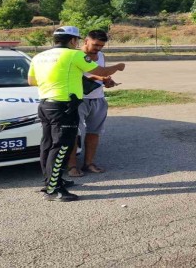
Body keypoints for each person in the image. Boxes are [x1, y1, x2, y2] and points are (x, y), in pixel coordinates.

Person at [28, 26, 126, 202]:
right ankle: (54, 189)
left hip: (45, 104)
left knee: (48, 144)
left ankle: (50, 181)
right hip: (65, 106)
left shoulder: (39, 56)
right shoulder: (74, 55)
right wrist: (119, 66)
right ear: (73, 41)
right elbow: (101, 72)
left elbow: (31, 81)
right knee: (61, 147)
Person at [67, 30, 118, 177]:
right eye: (95, 45)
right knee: (74, 133)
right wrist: (99, 77)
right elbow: (81, 76)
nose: (98, 49)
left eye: (101, 46)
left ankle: (89, 164)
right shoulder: (75, 55)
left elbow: (101, 74)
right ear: (85, 41)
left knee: (94, 132)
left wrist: (108, 81)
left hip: (98, 99)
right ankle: (72, 166)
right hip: (78, 100)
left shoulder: (101, 55)